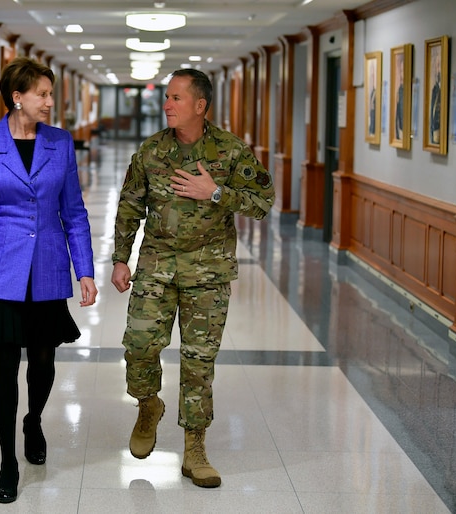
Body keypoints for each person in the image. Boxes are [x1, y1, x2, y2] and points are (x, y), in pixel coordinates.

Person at [110, 69, 274, 488]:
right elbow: (130, 206)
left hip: (208, 270)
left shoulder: (231, 152)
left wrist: (215, 192)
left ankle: (195, 447)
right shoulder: (150, 152)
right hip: (157, 266)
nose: (167, 104)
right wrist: (120, 259)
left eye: (176, 98)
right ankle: (148, 405)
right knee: (140, 346)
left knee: (199, 363)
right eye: (167, 97)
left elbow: (262, 202)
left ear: (200, 106)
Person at [0, 56, 98, 504]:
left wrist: (85, 269)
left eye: (50, 94)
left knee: (43, 362)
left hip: (48, 267)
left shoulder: (60, 143)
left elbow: (73, 212)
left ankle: (33, 419)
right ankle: (8, 461)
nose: (51, 102)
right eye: (43, 94)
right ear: (18, 98)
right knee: (2, 367)